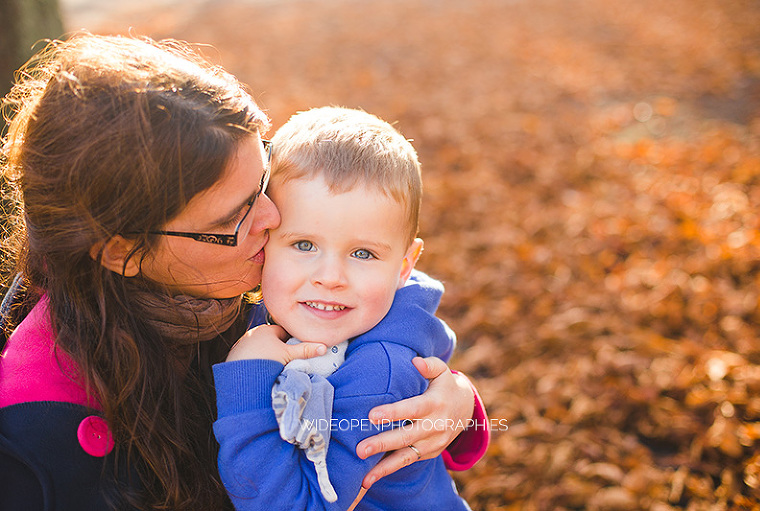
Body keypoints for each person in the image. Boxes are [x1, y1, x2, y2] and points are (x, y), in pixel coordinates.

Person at [0, 34, 487, 510]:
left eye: (261, 182)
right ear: (123, 253)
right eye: (232, 217)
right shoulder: (38, 438)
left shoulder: (238, 281)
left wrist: (456, 405)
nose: (273, 219)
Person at [214, 106, 487, 509]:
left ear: (405, 266)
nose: (331, 276)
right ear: (264, 239)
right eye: (304, 245)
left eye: (362, 253)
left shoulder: (381, 376)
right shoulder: (278, 314)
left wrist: (247, 381)